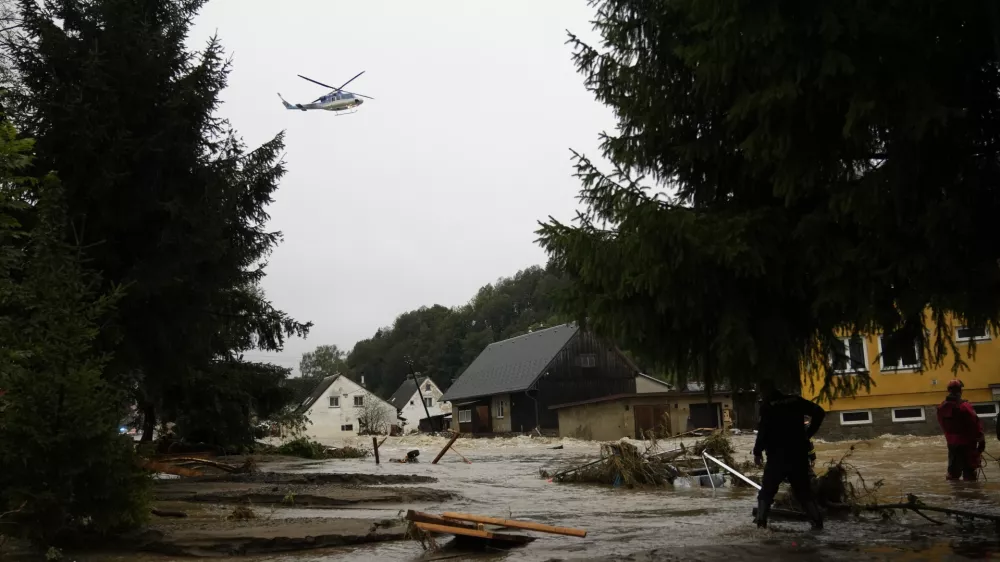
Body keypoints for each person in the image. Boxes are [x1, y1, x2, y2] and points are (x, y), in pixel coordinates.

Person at [752, 379, 826, 530]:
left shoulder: (767, 407)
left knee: (767, 492)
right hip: (797, 455)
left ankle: (760, 524)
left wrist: (757, 452)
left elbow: (763, 431)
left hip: (777, 457)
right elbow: (819, 412)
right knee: (804, 492)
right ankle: (818, 524)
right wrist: (808, 433)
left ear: (766, 392)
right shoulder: (796, 401)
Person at [936, 379, 985, 481]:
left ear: (948, 391)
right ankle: (970, 495)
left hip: (952, 444)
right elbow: (975, 423)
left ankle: (956, 494)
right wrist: (981, 439)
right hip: (967, 444)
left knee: (953, 473)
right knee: (969, 472)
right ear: (960, 390)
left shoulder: (941, 407)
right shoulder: (965, 407)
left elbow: (942, 423)